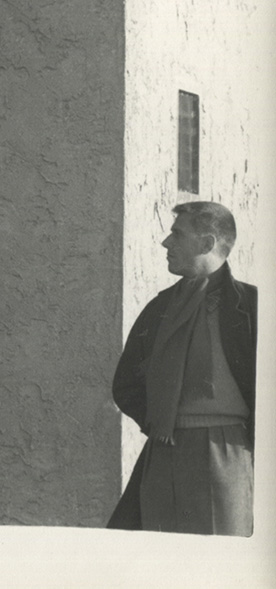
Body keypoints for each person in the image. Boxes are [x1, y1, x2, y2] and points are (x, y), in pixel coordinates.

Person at [108, 201, 256, 535]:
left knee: (220, 563)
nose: (165, 243)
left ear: (206, 244)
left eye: (177, 234)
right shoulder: (160, 307)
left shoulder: (251, 306)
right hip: (164, 452)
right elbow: (126, 384)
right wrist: (164, 421)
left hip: (228, 453)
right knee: (157, 562)